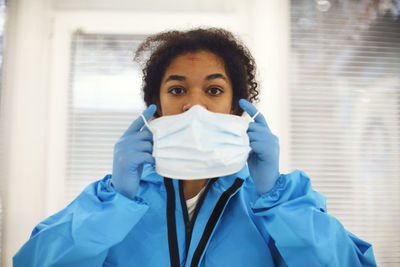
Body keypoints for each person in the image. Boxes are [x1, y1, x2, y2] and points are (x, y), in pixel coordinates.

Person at [14, 28, 376, 267]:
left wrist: (275, 198)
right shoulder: (112, 198)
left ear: (238, 108)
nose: (195, 105)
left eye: (214, 90)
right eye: (177, 90)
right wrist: (116, 202)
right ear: (152, 107)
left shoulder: (276, 201)